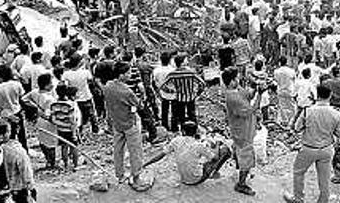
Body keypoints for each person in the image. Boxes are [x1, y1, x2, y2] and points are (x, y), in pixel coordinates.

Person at [283, 83, 340, 203]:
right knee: (324, 178)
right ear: (330, 95)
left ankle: (298, 198)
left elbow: (297, 128)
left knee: (298, 172)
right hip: (326, 149)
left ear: (317, 95)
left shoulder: (308, 111)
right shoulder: (336, 113)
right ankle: (324, 199)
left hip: (308, 148)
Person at [103, 61, 149, 190]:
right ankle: (136, 178)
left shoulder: (107, 86)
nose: (130, 75)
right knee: (135, 150)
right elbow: (139, 105)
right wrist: (142, 97)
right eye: (128, 72)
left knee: (118, 150)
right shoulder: (126, 91)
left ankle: (120, 175)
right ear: (121, 74)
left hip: (116, 123)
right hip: (129, 123)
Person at [144, 120, 232, 185]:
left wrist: (146, 163)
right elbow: (215, 158)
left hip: (183, 178)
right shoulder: (198, 145)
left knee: (200, 158)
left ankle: (208, 171)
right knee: (225, 150)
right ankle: (214, 172)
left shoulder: (176, 140)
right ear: (196, 132)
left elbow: (160, 155)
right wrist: (217, 143)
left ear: (182, 131)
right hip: (195, 179)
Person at [223, 66, 261, 196]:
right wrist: (260, 95)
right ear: (233, 80)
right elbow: (250, 110)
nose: (239, 78)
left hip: (242, 128)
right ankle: (241, 184)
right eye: (237, 77)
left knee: (240, 151)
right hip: (242, 130)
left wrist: (255, 87)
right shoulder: (232, 97)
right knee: (247, 156)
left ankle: (240, 168)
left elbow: (248, 95)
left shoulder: (235, 90)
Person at [21, 73, 58, 169]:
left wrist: (34, 107)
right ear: (46, 85)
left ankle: (48, 160)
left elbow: (24, 99)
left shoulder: (34, 92)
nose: (53, 85)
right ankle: (52, 162)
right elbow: (48, 113)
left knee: (42, 141)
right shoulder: (49, 99)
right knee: (51, 143)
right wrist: (39, 111)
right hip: (48, 122)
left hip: (39, 121)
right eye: (51, 83)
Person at [161, 54, 206, 132]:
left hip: (179, 97)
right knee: (192, 115)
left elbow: (163, 86)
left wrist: (171, 91)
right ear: (182, 63)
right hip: (191, 97)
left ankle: (181, 130)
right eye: (185, 60)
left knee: (180, 115)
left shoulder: (172, 74)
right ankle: (193, 131)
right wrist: (198, 93)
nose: (187, 61)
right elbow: (202, 83)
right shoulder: (191, 72)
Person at [0, 64, 27, 147]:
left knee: (9, 136)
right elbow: (22, 99)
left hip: (5, 115)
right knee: (22, 135)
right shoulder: (17, 84)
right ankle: (25, 151)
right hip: (17, 111)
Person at [61, 54, 98, 135]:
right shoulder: (85, 72)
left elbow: (64, 85)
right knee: (92, 114)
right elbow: (91, 81)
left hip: (74, 98)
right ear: (79, 62)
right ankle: (95, 129)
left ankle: (80, 131)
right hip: (86, 96)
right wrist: (88, 67)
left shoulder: (66, 74)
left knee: (78, 115)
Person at [50, 83, 81, 171]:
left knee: (64, 146)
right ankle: (75, 165)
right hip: (70, 130)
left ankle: (66, 165)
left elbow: (53, 119)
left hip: (60, 129)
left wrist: (61, 124)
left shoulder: (54, 104)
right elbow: (73, 121)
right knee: (74, 147)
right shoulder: (70, 105)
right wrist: (74, 133)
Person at [274, 57, 297, 126]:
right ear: (286, 62)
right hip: (290, 90)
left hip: (281, 90)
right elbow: (294, 79)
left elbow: (276, 81)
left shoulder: (276, 71)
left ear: (279, 62)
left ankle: (285, 121)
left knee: (282, 106)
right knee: (292, 106)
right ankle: (293, 120)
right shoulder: (291, 71)